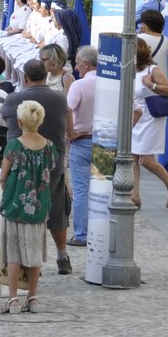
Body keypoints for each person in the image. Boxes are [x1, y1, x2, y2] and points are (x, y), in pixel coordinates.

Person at [2, 59, 74, 275]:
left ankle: (27, 259)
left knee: (23, 211)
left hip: (21, 161)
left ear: (24, 77)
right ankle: (62, 254)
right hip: (51, 160)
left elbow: (6, 121)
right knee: (56, 209)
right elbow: (68, 126)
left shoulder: (14, 98)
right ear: (46, 75)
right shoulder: (59, 98)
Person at [0, 100, 55, 314]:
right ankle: (32, 297)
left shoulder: (14, 145)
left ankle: (13, 298)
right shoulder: (49, 146)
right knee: (34, 253)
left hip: (15, 205)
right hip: (39, 206)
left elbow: (3, 176)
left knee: (13, 253)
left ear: (20, 121)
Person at [129, 40, 168, 211]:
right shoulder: (131, 71)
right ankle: (134, 196)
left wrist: (151, 84)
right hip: (136, 116)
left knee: (146, 159)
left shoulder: (152, 70)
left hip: (151, 116)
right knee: (132, 158)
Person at [64, 46, 97, 246]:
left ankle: (82, 233)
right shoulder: (111, 84)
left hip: (82, 141)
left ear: (86, 64)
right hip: (105, 143)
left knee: (81, 189)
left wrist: (71, 132)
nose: (76, 67)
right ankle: (101, 231)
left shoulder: (80, 85)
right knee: (102, 186)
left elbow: (67, 109)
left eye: (77, 62)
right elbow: (136, 111)